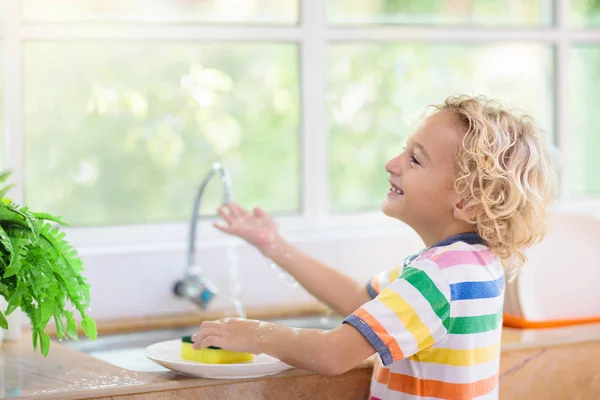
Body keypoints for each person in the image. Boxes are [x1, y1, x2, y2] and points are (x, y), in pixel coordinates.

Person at [192, 94, 556, 399]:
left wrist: (255, 334)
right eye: (405, 150)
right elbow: (358, 299)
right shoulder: (471, 263)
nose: (392, 164)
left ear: (468, 202)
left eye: (415, 158)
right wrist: (273, 244)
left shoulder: (439, 274)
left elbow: (333, 355)